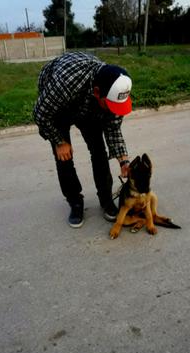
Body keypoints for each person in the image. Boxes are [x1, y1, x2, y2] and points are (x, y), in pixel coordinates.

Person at [33, 51, 132, 228]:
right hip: (58, 108)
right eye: (109, 105)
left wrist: (124, 160)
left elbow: (113, 128)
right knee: (64, 156)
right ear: (97, 92)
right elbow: (41, 114)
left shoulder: (116, 90)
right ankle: (75, 202)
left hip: (88, 107)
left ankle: (106, 199)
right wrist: (59, 141)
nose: (113, 110)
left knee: (99, 151)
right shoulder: (65, 83)